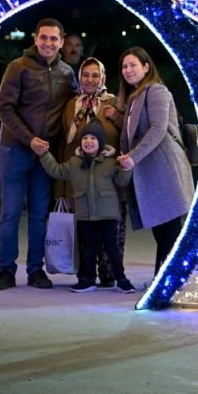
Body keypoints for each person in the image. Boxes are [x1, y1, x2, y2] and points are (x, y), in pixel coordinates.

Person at [0, 18, 75, 291]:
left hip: (45, 156)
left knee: (40, 215)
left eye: (54, 38)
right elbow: (4, 109)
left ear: (61, 42)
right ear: (35, 38)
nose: (48, 43)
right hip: (15, 149)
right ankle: (6, 270)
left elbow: (78, 103)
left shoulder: (66, 72)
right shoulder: (18, 67)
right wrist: (30, 140)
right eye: (44, 37)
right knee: (11, 213)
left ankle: (35, 271)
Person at [115, 46, 195, 275]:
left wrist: (133, 157)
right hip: (150, 171)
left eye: (133, 65)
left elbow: (158, 128)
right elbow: (128, 135)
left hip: (164, 169)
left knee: (168, 228)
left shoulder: (156, 91)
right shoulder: (134, 96)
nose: (128, 70)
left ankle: (166, 281)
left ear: (146, 67)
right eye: (124, 66)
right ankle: (166, 279)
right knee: (162, 229)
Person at [36, 119, 136, 293]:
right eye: (85, 138)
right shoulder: (74, 163)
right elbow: (56, 170)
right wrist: (44, 155)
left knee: (112, 249)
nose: (88, 141)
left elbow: (121, 180)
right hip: (85, 214)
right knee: (88, 248)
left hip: (107, 214)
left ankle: (121, 279)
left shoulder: (110, 163)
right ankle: (87, 279)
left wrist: (127, 168)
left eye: (93, 139)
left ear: (101, 143)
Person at [61, 57, 127, 288]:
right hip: (79, 180)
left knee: (111, 233)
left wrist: (116, 117)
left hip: (108, 181)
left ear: (103, 78)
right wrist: (63, 188)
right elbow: (66, 145)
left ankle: (111, 275)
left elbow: (126, 134)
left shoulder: (114, 103)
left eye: (95, 75)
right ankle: (86, 276)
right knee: (86, 233)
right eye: (85, 75)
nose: (90, 80)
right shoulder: (72, 105)